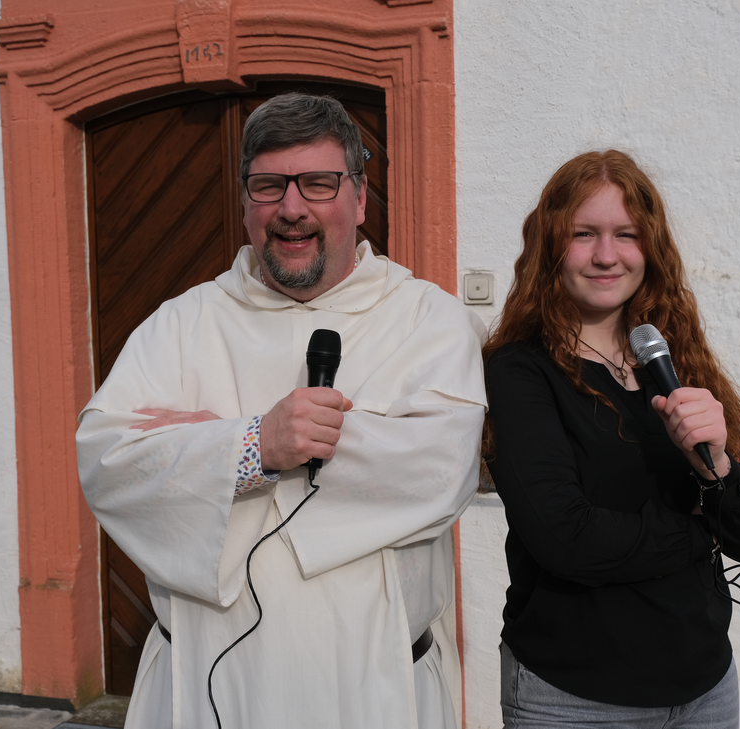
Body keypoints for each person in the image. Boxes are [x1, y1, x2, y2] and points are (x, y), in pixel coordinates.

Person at [76, 93, 487, 729]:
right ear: (245, 202)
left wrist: (204, 448)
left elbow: (440, 469)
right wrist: (251, 445)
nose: (291, 209)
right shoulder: (183, 324)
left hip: (373, 681)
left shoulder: (427, 320)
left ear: (359, 196)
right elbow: (108, 463)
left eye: (318, 184)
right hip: (208, 676)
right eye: (268, 186)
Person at [483, 150, 740, 728]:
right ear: (551, 245)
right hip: (575, 698)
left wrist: (718, 465)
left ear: (650, 248)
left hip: (705, 688)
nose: (606, 255)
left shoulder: (673, 358)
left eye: (626, 234)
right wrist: (704, 530)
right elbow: (567, 538)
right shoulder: (521, 371)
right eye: (583, 234)